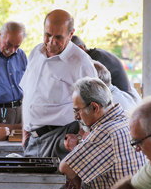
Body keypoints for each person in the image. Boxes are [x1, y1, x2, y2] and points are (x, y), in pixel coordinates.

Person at [59, 77, 151, 189]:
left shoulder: (106, 130)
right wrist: (78, 175)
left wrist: (75, 174)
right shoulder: (123, 117)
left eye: (77, 111)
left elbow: (65, 168)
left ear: (95, 107)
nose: (76, 117)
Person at [20, 9, 97, 160]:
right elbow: (27, 94)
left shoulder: (81, 62)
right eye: (47, 35)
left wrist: (81, 138)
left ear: (71, 34)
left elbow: (96, 108)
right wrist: (25, 128)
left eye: (58, 37)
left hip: (61, 138)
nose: (51, 42)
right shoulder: (36, 52)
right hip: (32, 140)